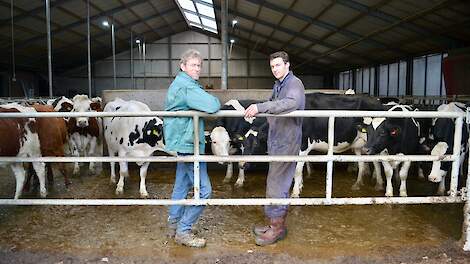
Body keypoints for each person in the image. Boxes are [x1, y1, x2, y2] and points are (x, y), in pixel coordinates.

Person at [244, 51, 305, 246]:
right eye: (272, 66)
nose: (275, 69)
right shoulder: (279, 85)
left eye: (278, 65)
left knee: (277, 184)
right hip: (278, 140)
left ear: (287, 65)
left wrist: (260, 107)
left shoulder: (294, 83)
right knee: (275, 182)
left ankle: (277, 229)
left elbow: (292, 103)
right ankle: (274, 224)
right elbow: (275, 107)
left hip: (287, 142)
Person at [164, 49, 221, 248]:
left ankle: (173, 224)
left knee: (181, 185)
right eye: (193, 65)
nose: (197, 69)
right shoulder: (186, 86)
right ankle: (184, 230)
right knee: (205, 190)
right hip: (188, 143)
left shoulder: (182, 83)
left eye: (199, 65)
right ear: (183, 66)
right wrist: (201, 104)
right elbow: (213, 104)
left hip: (184, 141)